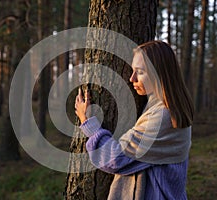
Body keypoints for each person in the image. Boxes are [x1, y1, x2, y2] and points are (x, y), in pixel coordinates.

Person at [74, 40, 194, 200]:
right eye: (132, 70)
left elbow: (115, 159)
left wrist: (88, 122)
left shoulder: (162, 116)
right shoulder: (165, 106)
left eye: (140, 72)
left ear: (159, 73)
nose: (132, 78)